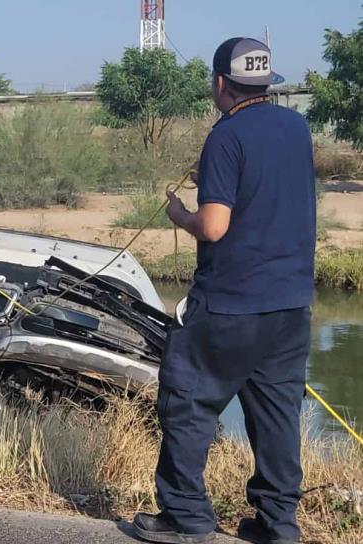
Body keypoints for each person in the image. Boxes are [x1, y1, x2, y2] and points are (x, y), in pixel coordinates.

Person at [133, 38, 315, 544]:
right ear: (265, 82)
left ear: (220, 84)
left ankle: (186, 517)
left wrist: (180, 215)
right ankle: (279, 525)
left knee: (188, 401)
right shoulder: (296, 127)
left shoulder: (226, 136)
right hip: (292, 304)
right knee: (277, 413)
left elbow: (213, 226)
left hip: (232, 302)